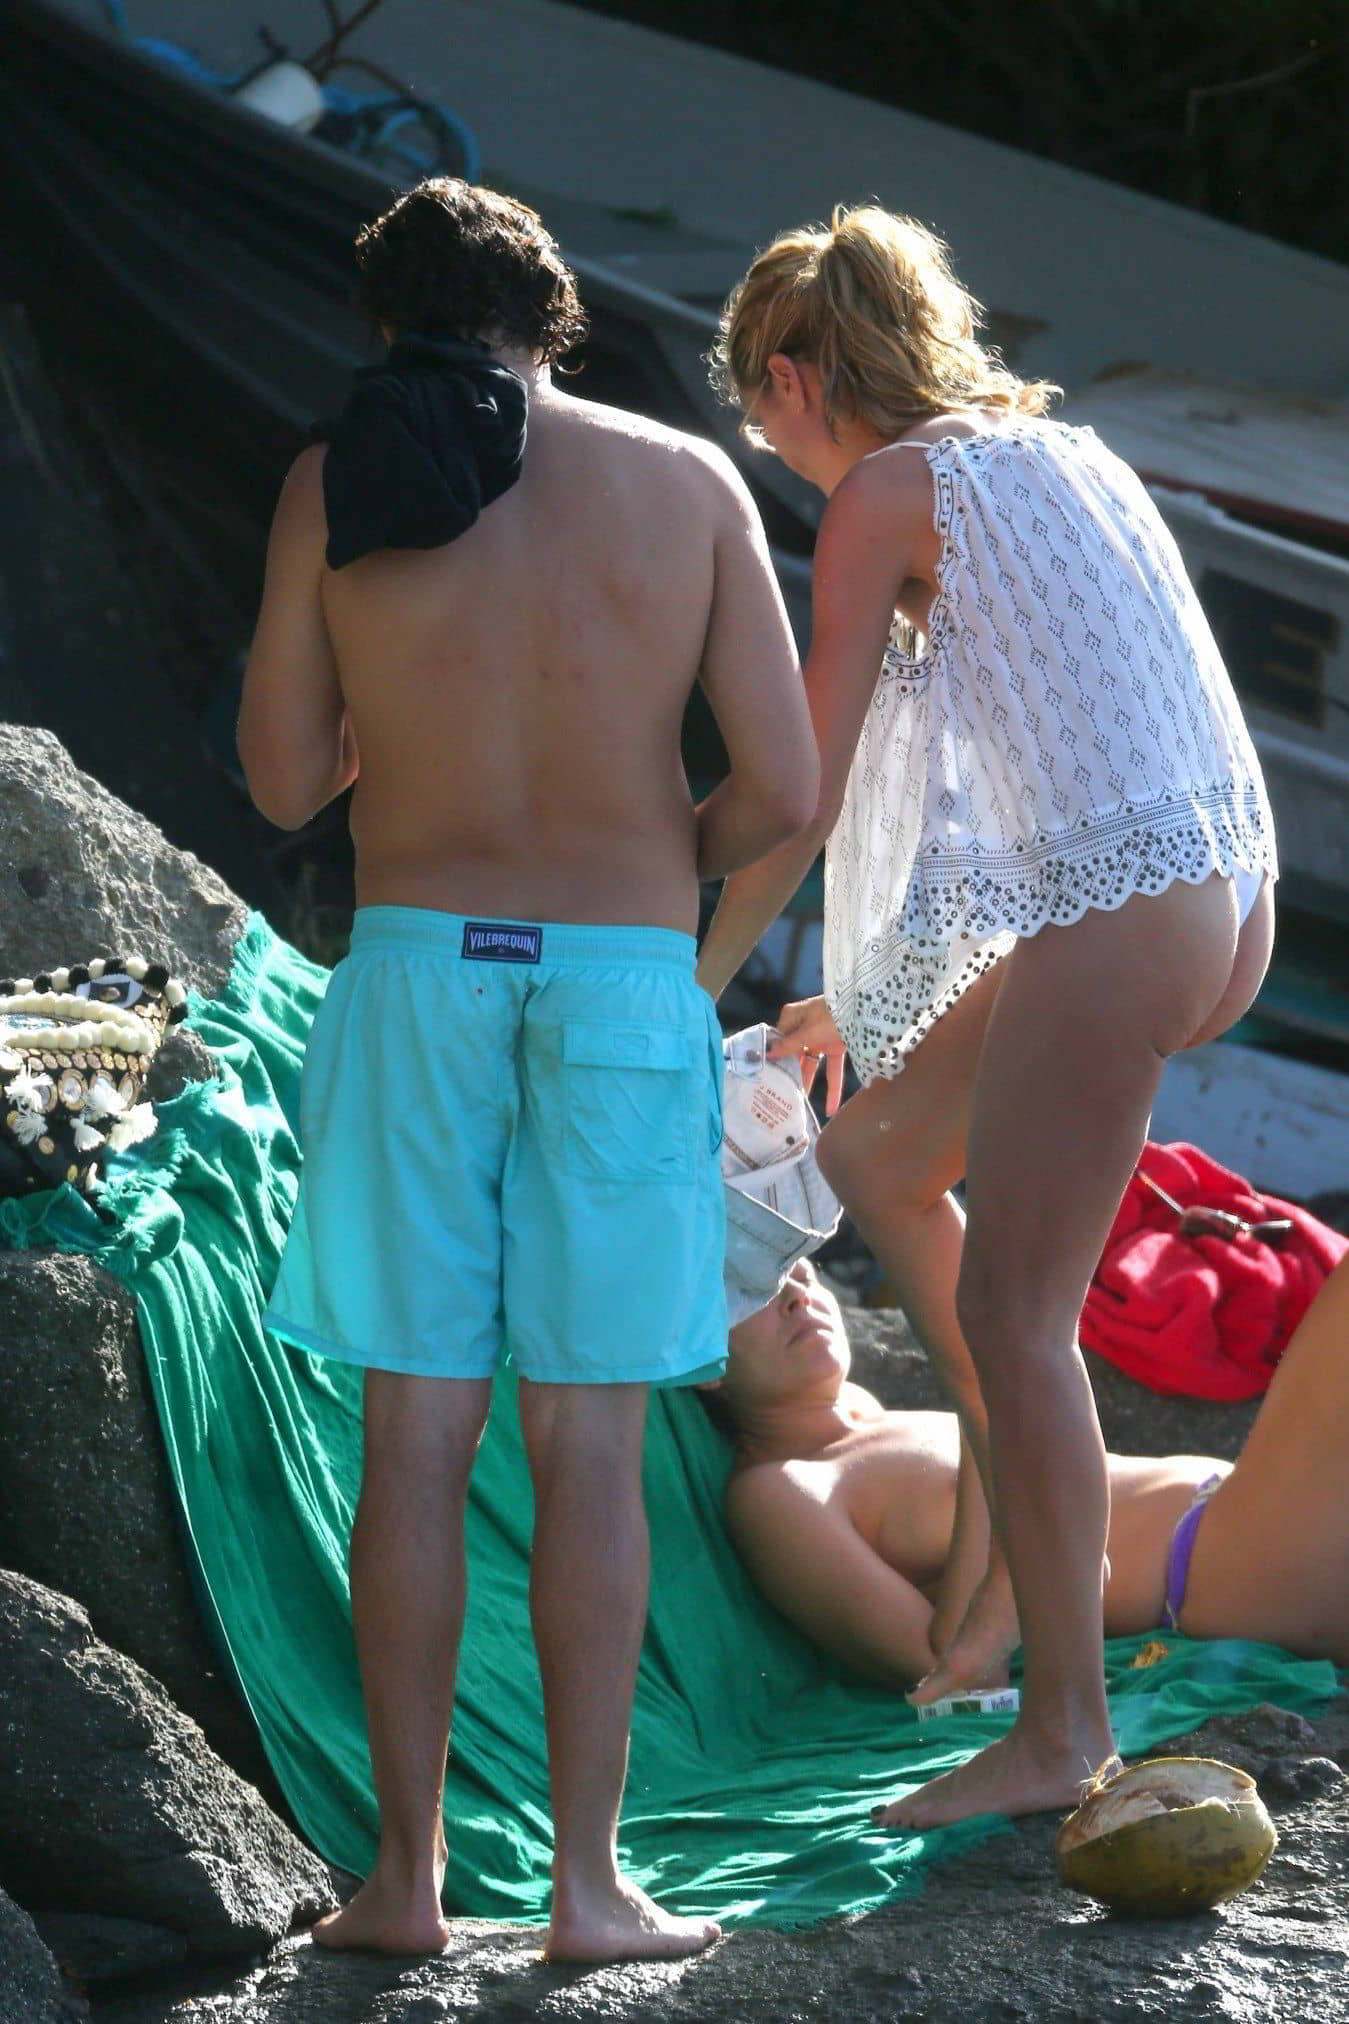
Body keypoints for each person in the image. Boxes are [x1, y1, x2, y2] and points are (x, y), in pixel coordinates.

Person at [238, 177, 817, 1962]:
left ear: (383, 321)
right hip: (620, 978)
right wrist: (644, 864)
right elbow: (785, 790)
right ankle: (586, 1889)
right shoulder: (688, 480)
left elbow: (281, 781)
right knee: (590, 1441)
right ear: (552, 315)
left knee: (414, 1433)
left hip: (420, 964)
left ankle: (403, 1883)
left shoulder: (336, 478)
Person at [695, 206, 1278, 1828]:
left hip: (1119, 908)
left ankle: (1058, 1727)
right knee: (879, 1159)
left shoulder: (885, 491)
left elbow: (802, 789)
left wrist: (680, 973)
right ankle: (998, 1558)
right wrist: (862, 991)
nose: (773, 449)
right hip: (1211, 885)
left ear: (794, 377)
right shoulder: (1066, 454)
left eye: (760, 414)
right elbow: (1027, 756)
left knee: (1022, 1322)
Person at [712, 1257, 1349, 1691]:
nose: (796, 1294)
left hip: (1246, 1527)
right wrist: (987, 1416)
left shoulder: (863, 1416)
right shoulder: (782, 1488)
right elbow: (940, 1669)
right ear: (696, 1358)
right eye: (753, 1293)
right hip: (1220, 1569)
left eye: (799, 1268)